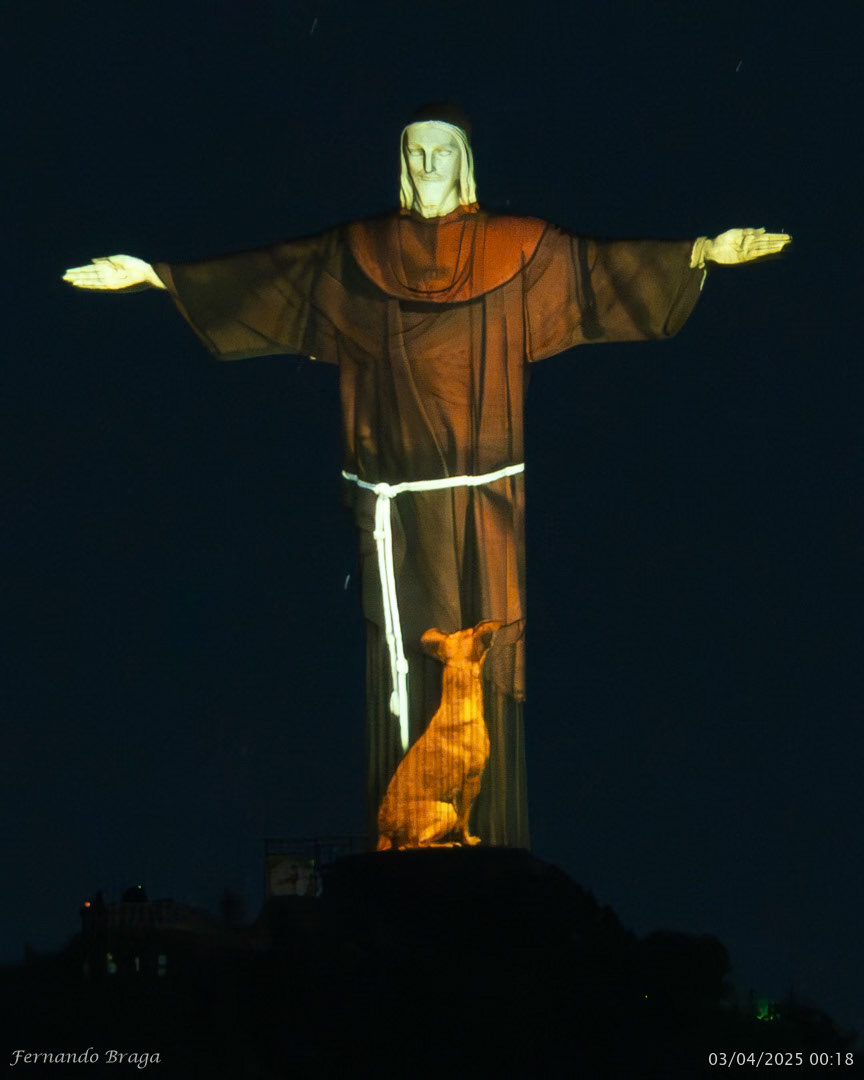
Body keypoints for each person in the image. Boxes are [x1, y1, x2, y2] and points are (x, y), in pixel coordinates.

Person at [63, 104, 790, 849]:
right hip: (394, 503)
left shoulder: (518, 248)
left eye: (443, 151)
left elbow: (594, 271)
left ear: (466, 160)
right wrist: (159, 278)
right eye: (415, 152)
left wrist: (700, 252)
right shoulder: (359, 251)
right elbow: (275, 277)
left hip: (487, 495)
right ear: (401, 162)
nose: (428, 165)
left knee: (489, 650)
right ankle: (406, 832)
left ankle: (486, 834)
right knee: (401, 652)